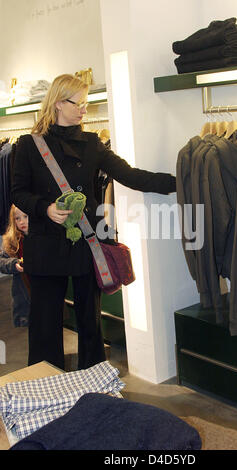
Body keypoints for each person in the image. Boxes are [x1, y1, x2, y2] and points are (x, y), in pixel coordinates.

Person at [11, 73, 176, 371]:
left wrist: (180, 182)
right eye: (80, 103)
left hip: (86, 245)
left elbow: (130, 175)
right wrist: (45, 208)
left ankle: (94, 386)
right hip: (45, 247)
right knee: (45, 326)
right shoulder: (28, 145)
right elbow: (18, 192)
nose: (85, 110)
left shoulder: (91, 144)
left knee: (91, 323)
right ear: (59, 103)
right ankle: (48, 390)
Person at [0, 205, 30, 327]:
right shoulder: (13, 242)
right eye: (17, 218)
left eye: (25, 217)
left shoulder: (42, 238)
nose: (22, 221)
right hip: (25, 298)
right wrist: (14, 264)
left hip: (45, 294)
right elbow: (1, 261)